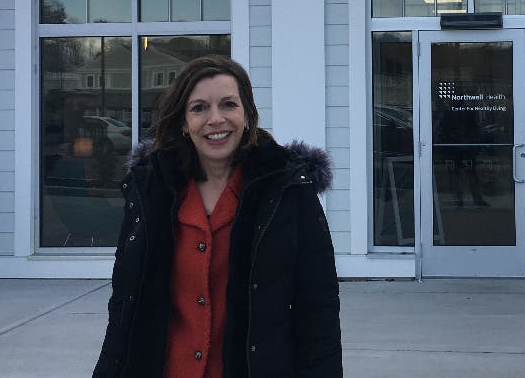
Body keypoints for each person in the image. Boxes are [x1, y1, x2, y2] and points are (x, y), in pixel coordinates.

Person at [93, 55, 342, 377]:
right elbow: (124, 306)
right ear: (183, 121)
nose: (216, 119)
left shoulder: (289, 192)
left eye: (228, 105)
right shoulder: (150, 191)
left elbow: (318, 311)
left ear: (248, 115)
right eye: (199, 108)